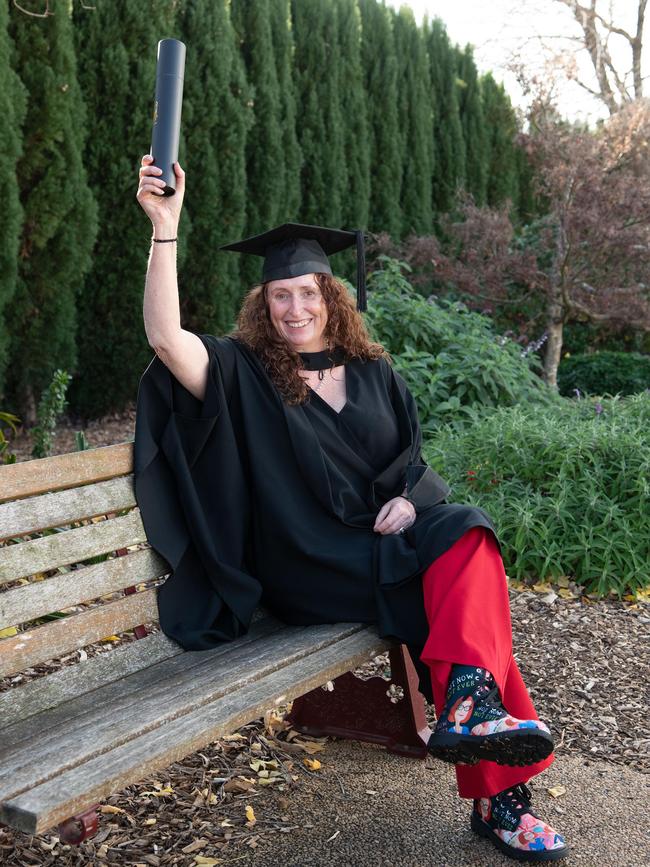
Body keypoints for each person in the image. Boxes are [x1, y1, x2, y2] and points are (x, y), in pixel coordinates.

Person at [134, 155, 569, 862]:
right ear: (263, 303)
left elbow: (416, 462)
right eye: (280, 295)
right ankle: (501, 796)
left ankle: (470, 707)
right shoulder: (242, 373)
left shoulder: (373, 370)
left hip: (378, 545)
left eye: (307, 292)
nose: (295, 308)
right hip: (308, 561)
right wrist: (165, 229)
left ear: (330, 296)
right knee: (460, 597)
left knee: (467, 540)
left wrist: (408, 497)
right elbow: (163, 337)